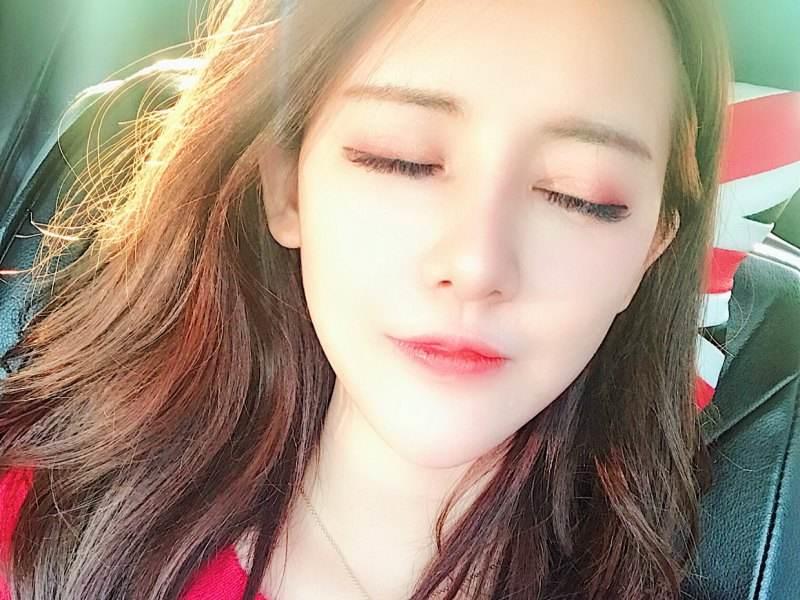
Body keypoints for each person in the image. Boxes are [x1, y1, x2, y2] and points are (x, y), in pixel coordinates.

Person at [0, 0, 732, 598]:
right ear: (287, 188)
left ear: (651, 248)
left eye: (579, 195)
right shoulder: (38, 532)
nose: (476, 264)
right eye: (401, 159)